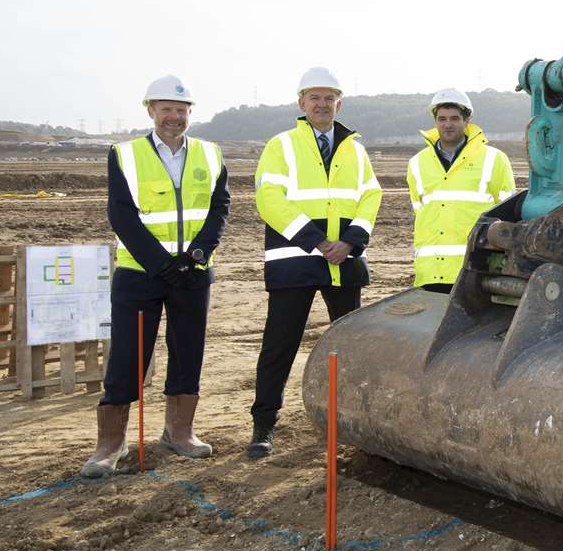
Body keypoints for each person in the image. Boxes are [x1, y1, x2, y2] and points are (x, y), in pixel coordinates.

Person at [83, 76, 230, 477]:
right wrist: (161, 264)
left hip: (193, 273)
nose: (174, 116)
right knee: (128, 357)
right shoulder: (125, 154)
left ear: (189, 113)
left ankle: (179, 433)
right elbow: (121, 215)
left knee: (188, 353)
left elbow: (220, 208)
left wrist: (197, 254)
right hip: (139, 274)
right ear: (150, 110)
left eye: (181, 110)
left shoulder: (210, 153)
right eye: (166, 108)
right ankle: (110, 445)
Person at [246, 67, 381, 459]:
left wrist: (351, 243)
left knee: (347, 347)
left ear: (340, 103)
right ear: (301, 103)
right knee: (279, 345)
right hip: (296, 262)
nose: (322, 105)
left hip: (344, 262)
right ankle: (264, 427)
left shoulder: (355, 148)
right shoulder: (282, 145)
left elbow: (369, 196)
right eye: (315, 98)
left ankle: (349, 424)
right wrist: (318, 241)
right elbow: (269, 199)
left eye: (329, 98)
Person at [407, 88, 515, 292]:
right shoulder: (416, 163)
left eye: (455, 118)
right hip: (430, 272)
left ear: (467, 121)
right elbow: (421, 212)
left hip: (476, 269)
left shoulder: (494, 159)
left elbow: (507, 215)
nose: (448, 124)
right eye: (442, 118)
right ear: (435, 121)